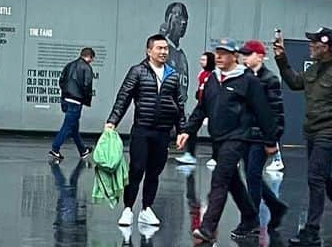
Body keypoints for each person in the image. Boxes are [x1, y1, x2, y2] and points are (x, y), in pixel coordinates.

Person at [179, 40, 278, 246]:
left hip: (237, 137)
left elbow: (263, 111)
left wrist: (270, 140)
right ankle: (251, 217)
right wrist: (187, 131)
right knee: (232, 181)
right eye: (218, 53)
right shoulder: (213, 80)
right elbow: (201, 109)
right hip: (218, 138)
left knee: (220, 179)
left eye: (225, 53)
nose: (220, 57)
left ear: (234, 56)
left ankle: (208, 227)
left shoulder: (247, 81)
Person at [274, 27, 332, 247]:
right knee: (322, 177)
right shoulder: (316, 68)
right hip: (314, 131)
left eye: (314, 43)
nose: (310, 46)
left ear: (326, 47)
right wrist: (281, 59)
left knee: (315, 176)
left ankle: (311, 231)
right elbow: (295, 83)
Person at [105, 34, 186, 230]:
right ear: (149, 51)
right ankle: (128, 209)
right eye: (159, 48)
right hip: (142, 129)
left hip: (163, 132)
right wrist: (112, 121)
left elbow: (179, 105)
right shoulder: (138, 72)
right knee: (137, 170)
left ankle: (146, 209)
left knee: (154, 172)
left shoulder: (172, 75)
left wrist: (182, 129)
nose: (164, 52)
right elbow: (123, 97)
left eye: (166, 48)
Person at [240, 40, 289, 230]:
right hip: (246, 134)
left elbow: (276, 112)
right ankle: (275, 207)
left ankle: (252, 219)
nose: (245, 57)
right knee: (251, 175)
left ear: (259, 56)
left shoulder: (270, 80)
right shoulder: (244, 77)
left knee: (253, 175)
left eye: (248, 54)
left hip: (261, 136)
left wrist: (272, 139)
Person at [49, 46, 95, 163]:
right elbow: (87, 86)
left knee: (73, 127)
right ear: (89, 57)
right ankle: (55, 149)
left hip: (66, 99)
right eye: (92, 59)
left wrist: (65, 93)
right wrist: (86, 100)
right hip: (76, 101)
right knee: (67, 126)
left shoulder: (69, 65)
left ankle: (83, 150)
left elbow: (61, 81)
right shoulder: (87, 68)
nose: (92, 61)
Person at [177, 50, 214, 165]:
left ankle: (217, 156)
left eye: (204, 59)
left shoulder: (214, 75)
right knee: (191, 128)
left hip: (212, 106)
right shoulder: (202, 74)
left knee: (216, 131)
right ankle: (190, 154)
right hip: (201, 105)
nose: (201, 61)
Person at [160, 1, 190, 100]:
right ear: (168, 19)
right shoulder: (162, 51)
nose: (183, 22)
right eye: (179, 17)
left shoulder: (182, 57)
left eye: (185, 18)